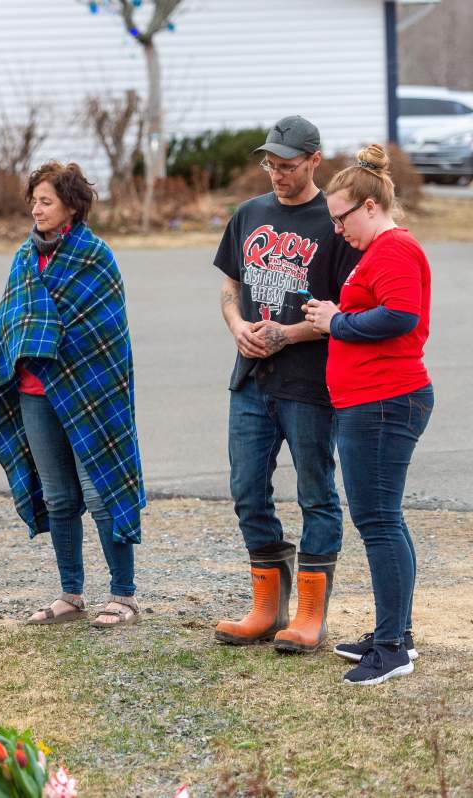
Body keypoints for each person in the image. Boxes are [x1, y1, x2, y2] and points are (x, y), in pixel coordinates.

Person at [212, 116, 362, 653]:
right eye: (270, 164)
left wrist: (289, 334)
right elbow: (232, 284)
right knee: (247, 491)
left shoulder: (336, 221)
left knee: (316, 493)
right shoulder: (250, 214)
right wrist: (238, 329)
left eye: (288, 165)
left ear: (314, 160)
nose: (277, 173)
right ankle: (266, 608)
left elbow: (349, 309)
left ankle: (311, 616)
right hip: (251, 379)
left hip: (311, 383)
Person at [0, 161, 145, 628]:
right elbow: (10, 324)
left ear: (71, 205)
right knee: (57, 497)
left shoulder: (95, 256)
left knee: (101, 492)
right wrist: (28, 341)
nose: (37, 208)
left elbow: (106, 334)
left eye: (46, 200)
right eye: (33, 200)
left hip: (88, 391)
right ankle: (71, 594)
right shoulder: (23, 258)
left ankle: (124, 595)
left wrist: (46, 337)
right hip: (34, 393)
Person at [303, 144, 432, 685]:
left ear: (370, 207)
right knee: (384, 520)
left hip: (385, 402)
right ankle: (393, 634)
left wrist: (337, 322)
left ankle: (393, 648)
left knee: (378, 523)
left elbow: (401, 317)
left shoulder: (393, 249)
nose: (337, 229)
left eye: (341, 218)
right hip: (372, 402)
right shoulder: (378, 251)